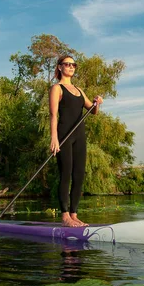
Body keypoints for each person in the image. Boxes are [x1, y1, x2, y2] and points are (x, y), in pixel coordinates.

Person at [49, 55, 103, 227]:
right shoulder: (57, 88)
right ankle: (65, 216)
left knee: (79, 175)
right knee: (66, 174)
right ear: (59, 67)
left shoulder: (79, 90)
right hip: (64, 134)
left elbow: (93, 111)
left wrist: (97, 103)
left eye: (74, 65)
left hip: (80, 136)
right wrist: (54, 138)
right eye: (67, 64)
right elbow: (53, 115)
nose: (71, 67)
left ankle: (74, 214)